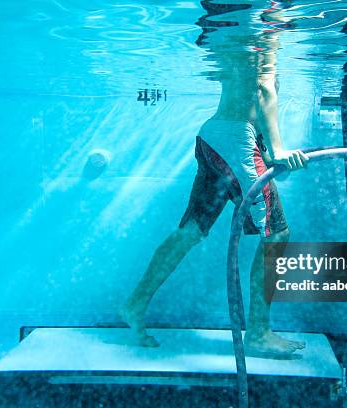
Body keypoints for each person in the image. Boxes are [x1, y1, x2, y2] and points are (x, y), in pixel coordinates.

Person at [120, 1, 308, 356]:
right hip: (235, 140)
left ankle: (135, 304)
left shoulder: (241, 32)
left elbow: (249, 96)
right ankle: (258, 332)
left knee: (190, 231)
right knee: (278, 234)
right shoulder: (269, 24)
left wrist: (270, 154)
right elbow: (263, 89)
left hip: (215, 136)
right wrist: (279, 149)